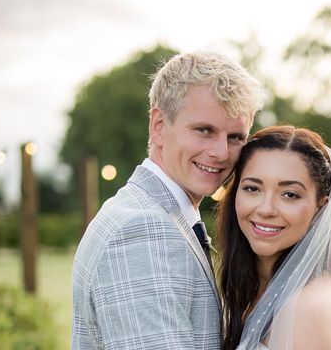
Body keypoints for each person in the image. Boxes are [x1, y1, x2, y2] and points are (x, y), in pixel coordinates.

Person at [72, 52, 264, 349]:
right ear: (159, 125)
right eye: (204, 130)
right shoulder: (142, 229)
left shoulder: (151, 212)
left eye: (235, 137)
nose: (221, 153)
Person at [217, 126, 331, 350]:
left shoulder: (310, 307)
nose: (266, 209)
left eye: (290, 194)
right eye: (253, 188)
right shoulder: (254, 290)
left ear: (320, 207)